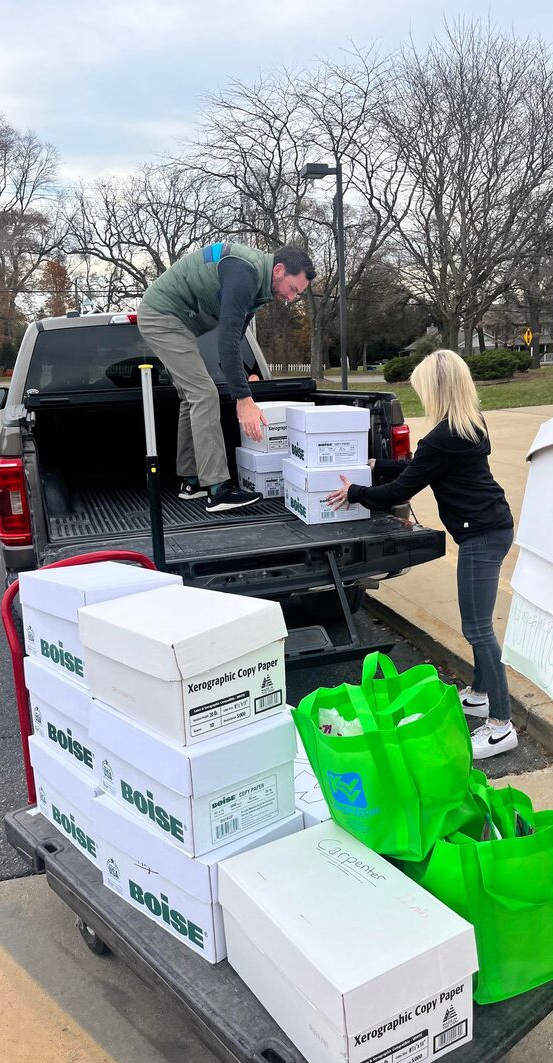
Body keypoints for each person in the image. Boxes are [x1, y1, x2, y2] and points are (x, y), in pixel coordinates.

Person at [326, 348, 516, 760]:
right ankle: (481, 694)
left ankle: (501, 725)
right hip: (492, 527)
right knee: (478, 625)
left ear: (436, 390)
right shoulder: (469, 426)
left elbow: (402, 491)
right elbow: (421, 468)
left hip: (482, 536)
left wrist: (354, 492)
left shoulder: (444, 436)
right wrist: (380, 463)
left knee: (478, 629)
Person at [138, 242, 315, 513]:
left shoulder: (259, 289)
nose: (292, 298)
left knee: (191, 397)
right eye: (293, 289)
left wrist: (243, 384)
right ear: (279, 270)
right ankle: (218, 489)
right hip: (162, 315)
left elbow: (235, 339)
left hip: (179, 320)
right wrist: (244, 399)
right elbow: (227, 341)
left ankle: (191, 481)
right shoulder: (244, 273)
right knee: (203, 394)